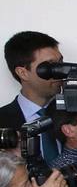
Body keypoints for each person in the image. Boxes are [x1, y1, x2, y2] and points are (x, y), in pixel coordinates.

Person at [0, 31, 64, 163]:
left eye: (60, 63)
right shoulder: (2, 122)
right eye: (50, 66)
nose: (61, 71)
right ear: (23, 73)